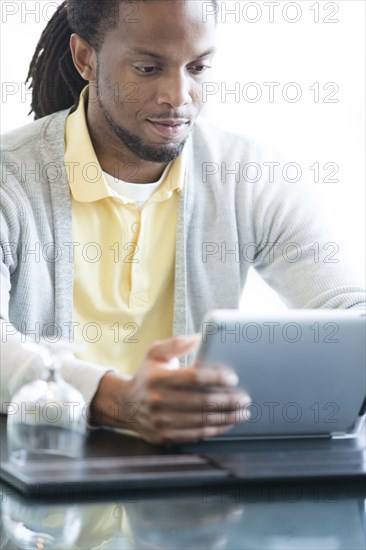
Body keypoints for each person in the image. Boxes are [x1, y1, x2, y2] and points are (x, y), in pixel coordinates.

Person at [1, 0, 364, 445]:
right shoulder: (11, 179)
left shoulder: (249, 176)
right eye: (148, 69)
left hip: (190, 491)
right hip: (43, 484)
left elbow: (351, 316)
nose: (178, 96)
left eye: (197, 67)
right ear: (85, 59)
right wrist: (120, 399)